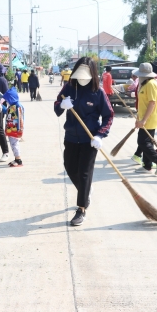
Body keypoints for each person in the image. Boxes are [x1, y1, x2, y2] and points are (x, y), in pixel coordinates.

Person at [54, 57, 114, 226]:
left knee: (84, 173)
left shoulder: (98, 92)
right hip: (71, 137)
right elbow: (57, 106)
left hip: (90, 139)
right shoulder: (69, 87)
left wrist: (100, 135)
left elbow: (109, 115)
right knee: (70, 167)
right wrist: (62, 105)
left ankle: (81, 209)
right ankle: (86, 189)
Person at [132, 63, 157, 175]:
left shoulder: (151, 84)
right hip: (144, 118)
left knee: (142, 142)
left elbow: (152, 103)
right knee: (147, 143)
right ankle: (147, 166)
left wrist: (144, 120)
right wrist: (138, 119)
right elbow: (142, 104)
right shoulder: (145, 84)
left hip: (149, 118)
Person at [3, 87, 24, 167]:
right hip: (12, 129)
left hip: (15, 130)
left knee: (14, 144)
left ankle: (18, 160)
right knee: (13, 144)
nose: (7, 101)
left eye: (7, 100)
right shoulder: (14, 105)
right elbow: (7, 111)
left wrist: (19, 129)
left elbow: (19, 118)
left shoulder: (16, 107)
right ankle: (16, 158)